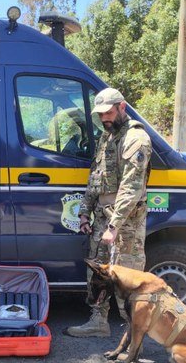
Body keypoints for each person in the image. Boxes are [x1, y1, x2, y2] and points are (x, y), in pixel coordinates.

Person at [65, 88, 152, 338]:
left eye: (109, 113)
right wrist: (84, 213)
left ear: (122, 107)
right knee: (97, 273)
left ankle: (134, 335)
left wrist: (114, 227)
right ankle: (98, 322)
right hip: (103, 218)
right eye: (101, 114)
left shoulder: (136, 139)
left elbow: (131, 187)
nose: (105, 118)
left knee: (127, 279)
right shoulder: (107, 137)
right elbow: (96, 178)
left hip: (125, 224)